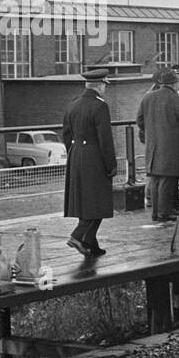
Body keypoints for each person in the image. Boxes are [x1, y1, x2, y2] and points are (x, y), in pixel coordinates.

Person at [62, 67, 117, 257]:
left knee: (86, 200)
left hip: (76, 154)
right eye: (104, 85)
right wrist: (111, 165)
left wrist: (75, 151)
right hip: (94, 156)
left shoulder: (73, 104)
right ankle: (77, 236)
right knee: (97, 200)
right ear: (100, 85)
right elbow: (105, 139)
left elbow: (66, 135)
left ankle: (90, 243)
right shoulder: (100, 106)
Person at [137, 67, 179, 222]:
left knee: (155, 179)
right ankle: (164, 213)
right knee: (167, 180)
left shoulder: (148, 97)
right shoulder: (176, 99)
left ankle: (156, 212)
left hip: (153, 145)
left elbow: (139, 120)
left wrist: (151, 133)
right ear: (174, 84)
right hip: (171, 145)